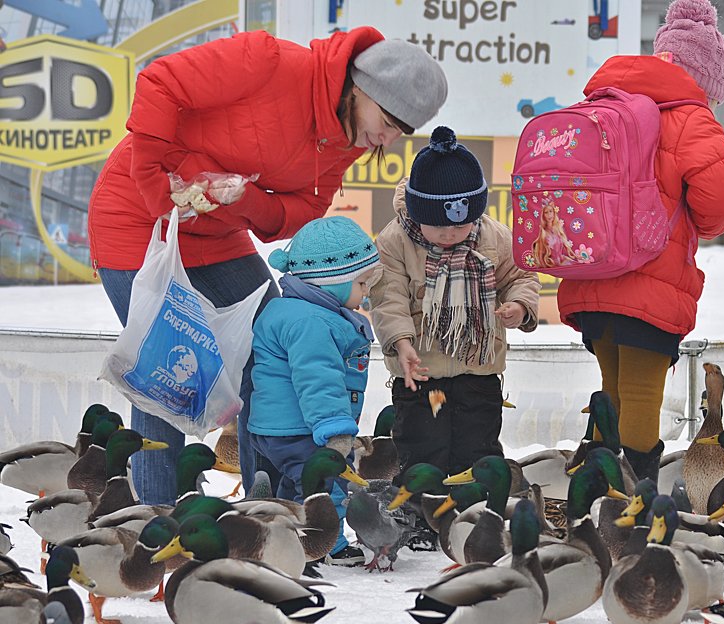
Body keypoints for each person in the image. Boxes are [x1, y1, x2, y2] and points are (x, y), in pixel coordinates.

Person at [87, 26, 447, 507]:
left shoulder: (347, 136)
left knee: (274, 343)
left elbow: (297, 214)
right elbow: (160, 82)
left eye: (401, 132)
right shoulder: (269, 60)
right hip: (138, 221)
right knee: (168, 375)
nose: (386, 138)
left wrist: (243, 196)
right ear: (360, 89)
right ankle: (158, 522)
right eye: (387, 120)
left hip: (216, 230)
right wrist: (157, 184)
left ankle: (271, 511)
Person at [555, 0, 724, 483]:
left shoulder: (601, 105)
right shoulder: (690, 118)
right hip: (651, 287)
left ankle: (594, 491)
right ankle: (634, 495)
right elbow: (722, 200)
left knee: (611, 392)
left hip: (591, 277)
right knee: (641, 397)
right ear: (704, 79)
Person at [370, 126, 540, 478]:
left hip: (479, 372)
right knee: (422, 449)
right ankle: (421, 520)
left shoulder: (494, 236)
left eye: (459, 227)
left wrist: (519, 307)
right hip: (419, 373)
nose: (449, 234)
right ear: (418, 213)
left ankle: (473, 517)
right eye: (438, 226)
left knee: (477, 450)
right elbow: (389, 299)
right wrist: (401, 344)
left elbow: (522, 276)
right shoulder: (395, 241)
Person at [248, 216, 381, 565]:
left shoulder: (294, 311)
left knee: (296, 487)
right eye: (362, 283)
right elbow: (317, 378)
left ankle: (284, 538)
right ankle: (327, 546)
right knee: (325, 486)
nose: (366, 292)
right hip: (302, 427)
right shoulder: (312, 323)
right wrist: (335, 430)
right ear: (331, 283)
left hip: (280, 428)